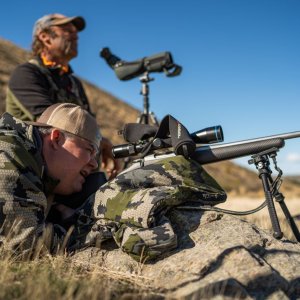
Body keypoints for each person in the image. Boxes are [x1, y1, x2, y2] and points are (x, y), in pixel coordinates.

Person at [5, 13, 121, 179]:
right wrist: (99, 142)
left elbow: (87, 124)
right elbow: (52, 122)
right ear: (45, 37)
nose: (76, 36)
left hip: (73, 175)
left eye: (76, 32)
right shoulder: (26, 74)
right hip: (33, 175)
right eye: (67, 30)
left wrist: (103, 143)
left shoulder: (74, 82)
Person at [0, 103, 101, 255]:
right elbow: (25, 243)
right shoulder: (9, 151)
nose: (94, 164)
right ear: (56, 139)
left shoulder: (36, 165)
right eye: (89, 150)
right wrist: (87, 228)